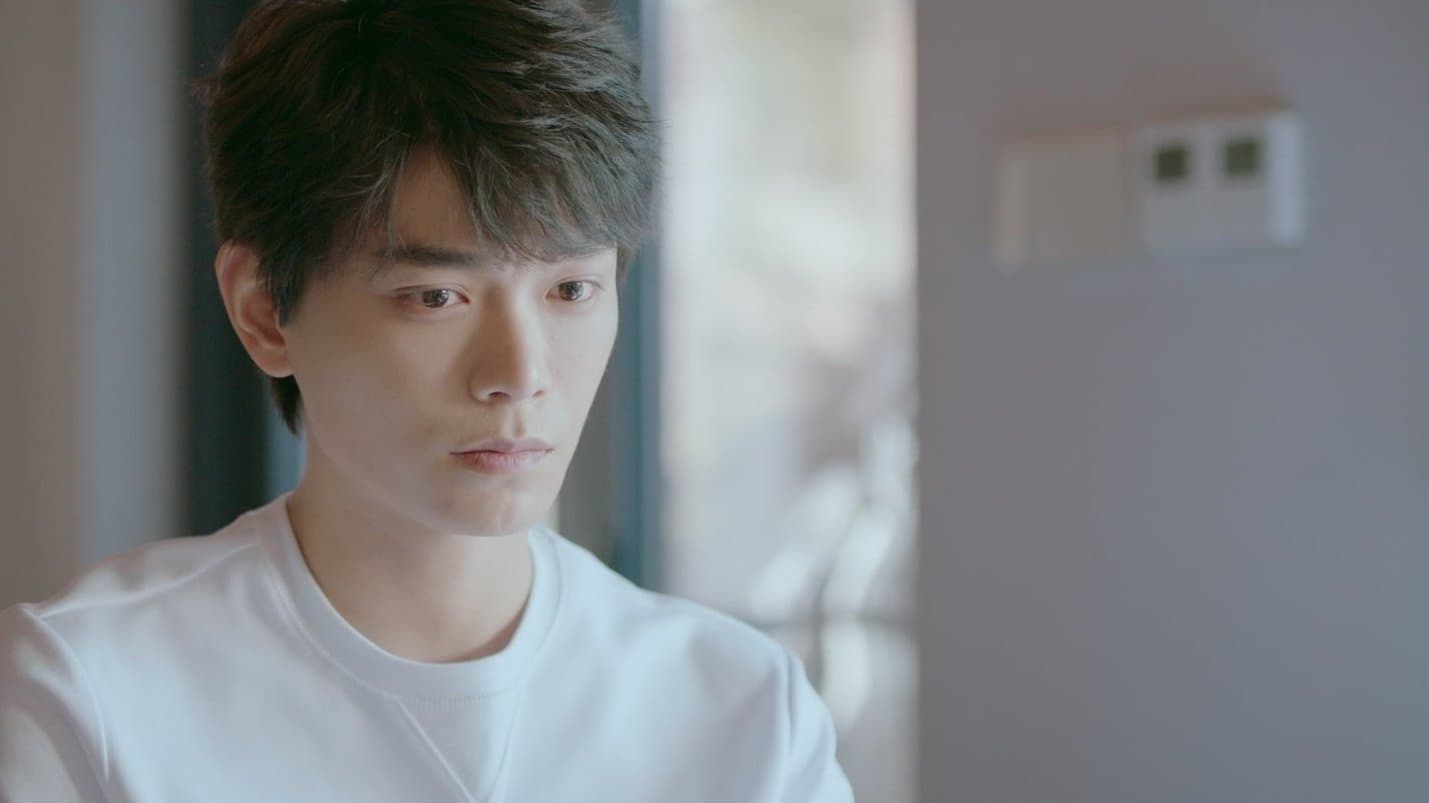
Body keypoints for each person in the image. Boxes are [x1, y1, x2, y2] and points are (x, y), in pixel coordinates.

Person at [0, 1, 855, 800]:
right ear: (263, 311)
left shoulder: (742, 714)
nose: (519, 372)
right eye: (437, 296)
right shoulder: (89, 692)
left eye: (570, 289)